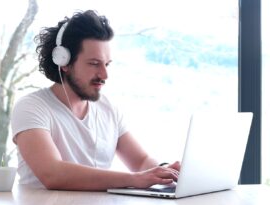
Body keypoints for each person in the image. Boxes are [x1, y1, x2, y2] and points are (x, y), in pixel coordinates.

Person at [11, 10, 180, 191]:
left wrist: (165, 172)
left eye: (106, 64)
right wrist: (135, 179)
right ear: (64, 62)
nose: (104, 75)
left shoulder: (108, 109)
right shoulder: (31, 107)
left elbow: (141, 161)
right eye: (94, 64)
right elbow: (53, 174)